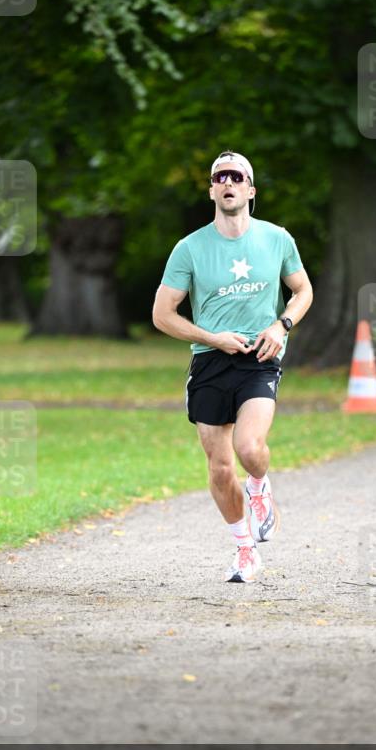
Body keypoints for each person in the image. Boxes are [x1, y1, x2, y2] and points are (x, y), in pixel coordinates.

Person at [152, 150, 313, 583]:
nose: (228, 182)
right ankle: (245, 550)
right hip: (210, 362)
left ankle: (260, 486)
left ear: (250, 189)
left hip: (260, 358)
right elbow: (162, 314)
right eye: (219, 176)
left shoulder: (277, 239)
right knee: (221, 468)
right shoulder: (190, 248)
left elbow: (302, 291)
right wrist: (210, 337)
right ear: (211, 189)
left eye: (236, 176)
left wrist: (282, 326)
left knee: (249, 448)